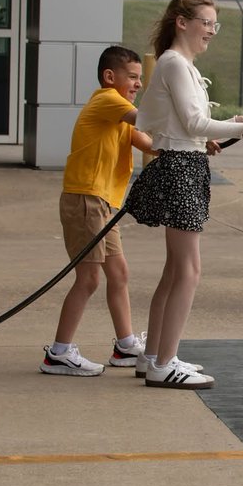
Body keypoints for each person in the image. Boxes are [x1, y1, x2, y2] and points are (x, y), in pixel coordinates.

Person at [126, 0, 243, 390]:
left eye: (215, 24)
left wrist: (229, 124)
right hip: (181, 169)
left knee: (175, 270)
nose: (211, 30)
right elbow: (193, 123)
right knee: (189, 272)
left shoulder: (180, 64)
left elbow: (187, 126)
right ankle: (163, 364)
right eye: (205, 22)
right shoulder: (176, 62)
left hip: (183, 163)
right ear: (182, 22)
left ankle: (153, 357)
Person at [40, 46, 156, 376]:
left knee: (118, 274)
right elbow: (149, 121)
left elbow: (152, 143)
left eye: (140, 78)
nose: (138, 84)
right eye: (132, 77)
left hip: (103, 205)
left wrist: (204, 142)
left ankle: (125, 347)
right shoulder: (108, 101)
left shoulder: (119, 115)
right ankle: (59, 354)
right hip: (85, 201)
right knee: (89, 278)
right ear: (110, 77)